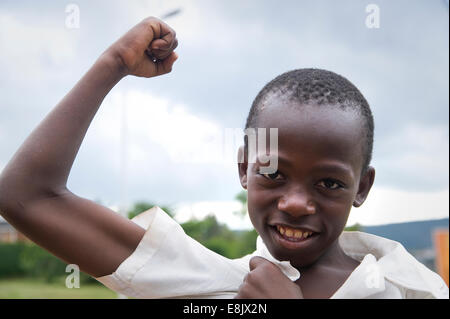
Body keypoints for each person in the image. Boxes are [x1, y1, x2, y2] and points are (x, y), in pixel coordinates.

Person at [0, 17, 447, 299]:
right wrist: (113, 64)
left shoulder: (409, 289)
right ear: (243, 169)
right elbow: (26, 196)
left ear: (362, 188)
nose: (295, 203)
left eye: (329, 183)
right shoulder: (199, 280)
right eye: (272, 172)